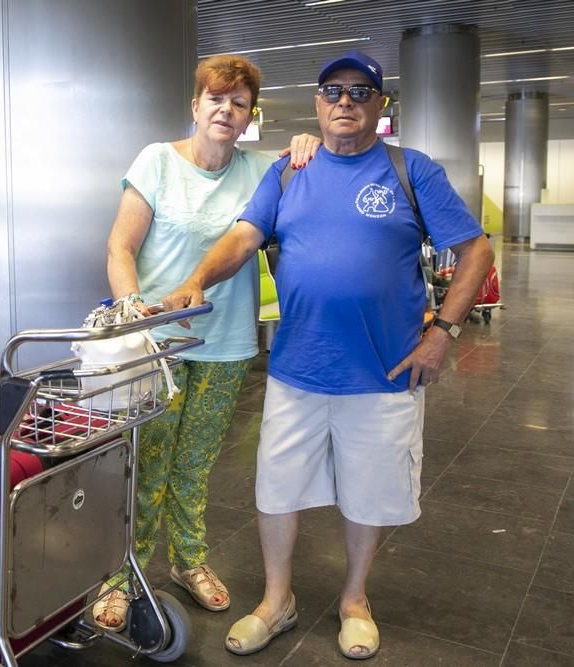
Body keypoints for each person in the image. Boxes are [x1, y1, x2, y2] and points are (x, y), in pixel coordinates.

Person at [162, 50, 494, 659]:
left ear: (380, 106)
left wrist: (442, 331)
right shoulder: (290, 169)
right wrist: (198, 280)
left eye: (361, 92)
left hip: (382, 372)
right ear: (318, 104)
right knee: (277, 491)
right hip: (297, 370)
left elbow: (475, 252)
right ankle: (276, 600)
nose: (346, 101)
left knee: (371, 494)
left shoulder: (408, 168)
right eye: (334, 91)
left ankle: (354, 601)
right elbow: (243, 236)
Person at [94, 54, 320, 632]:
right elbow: (121, 247)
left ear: (249, 116)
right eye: (216, 99)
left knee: (194, 467)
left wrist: (305, 142)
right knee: (148, 467)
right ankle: (124, 574)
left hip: (226, 345)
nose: (226, 109)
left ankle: (189, 561)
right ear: (196, 106)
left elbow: (311, 170)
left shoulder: (262, 170)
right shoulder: (156, 162)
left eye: (238, 103)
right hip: (157, 347)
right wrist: (132, 308)